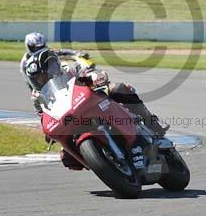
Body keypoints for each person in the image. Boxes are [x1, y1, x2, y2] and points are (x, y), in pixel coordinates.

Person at [25, 48, 169, 170]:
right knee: (67, 158)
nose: (43, 80)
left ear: (54, 65)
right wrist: (48, 133)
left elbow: (93, 72)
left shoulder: (70, 69)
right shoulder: (37, 96)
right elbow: (43, 114)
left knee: (120, 88)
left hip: (93, 101)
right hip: (70, 119)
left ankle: (152, 124)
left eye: (45, 74)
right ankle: (104, 163)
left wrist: (97, 78)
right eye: (38, 79)